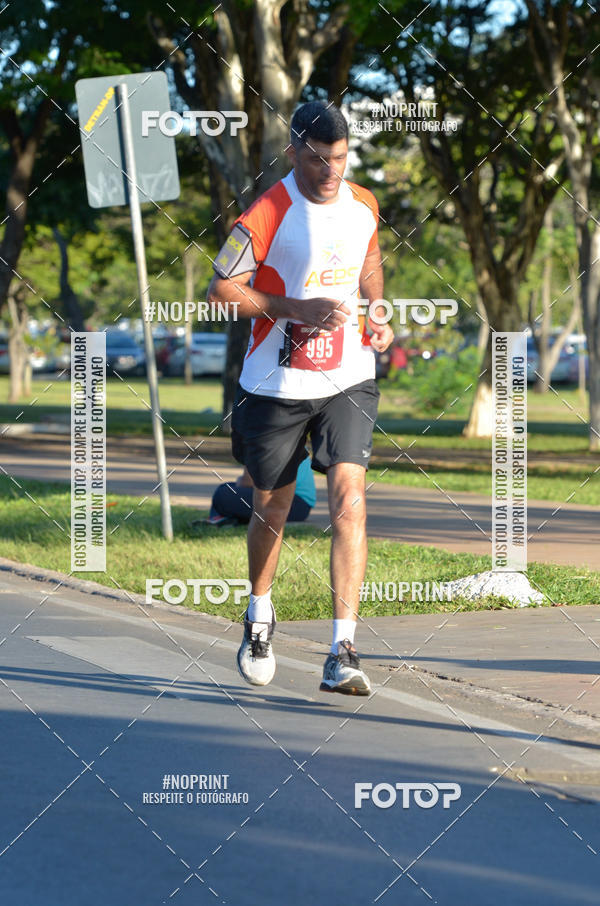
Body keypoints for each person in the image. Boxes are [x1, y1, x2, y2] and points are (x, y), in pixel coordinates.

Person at [207, 100, 393, 695]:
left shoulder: (363, 202)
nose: (330, 172)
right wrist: (291, 309)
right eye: (318, 160)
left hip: (348, 375)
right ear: (294, 154)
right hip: (276, 382)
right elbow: (220, 289)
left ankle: (342, 648)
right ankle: (259, 614)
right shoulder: (265, 214)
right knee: (274, 509)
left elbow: (368, 258)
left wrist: (377, 312)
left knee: (349, 496)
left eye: (339, 159)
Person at [206, 457, 316, 526]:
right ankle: (226, 518)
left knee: (224, 494)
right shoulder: (289, 437)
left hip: (294, 503)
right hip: (301, 505)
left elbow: (247, 482)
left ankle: (221, 518)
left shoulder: (261, 439)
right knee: (226, 488)